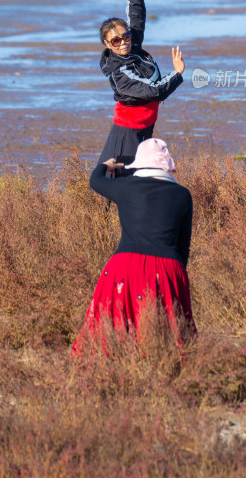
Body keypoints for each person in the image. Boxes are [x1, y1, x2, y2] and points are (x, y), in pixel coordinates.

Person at [73, 138, 196, 352]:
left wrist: (106, 165)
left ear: (138, 164)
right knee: (171, 337)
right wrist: (177, 278)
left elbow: (96, 180)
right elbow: (183, 247)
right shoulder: (183, 195)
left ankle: (110, 367)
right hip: (168, 268)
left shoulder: (126, 187)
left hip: (125, 266)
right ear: (166, 165)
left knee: (110, 328)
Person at [98, 0, 185, 169]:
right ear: (107, 44)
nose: (123, 43)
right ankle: (107, 201)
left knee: (138, 172)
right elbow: (155, 92)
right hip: (127, 131)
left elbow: (136, 18)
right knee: (113, 174)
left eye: (125, 37)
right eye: (116, 41)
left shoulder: (133, 47)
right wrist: (177, 73)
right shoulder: (119, 73)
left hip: (146, 125)